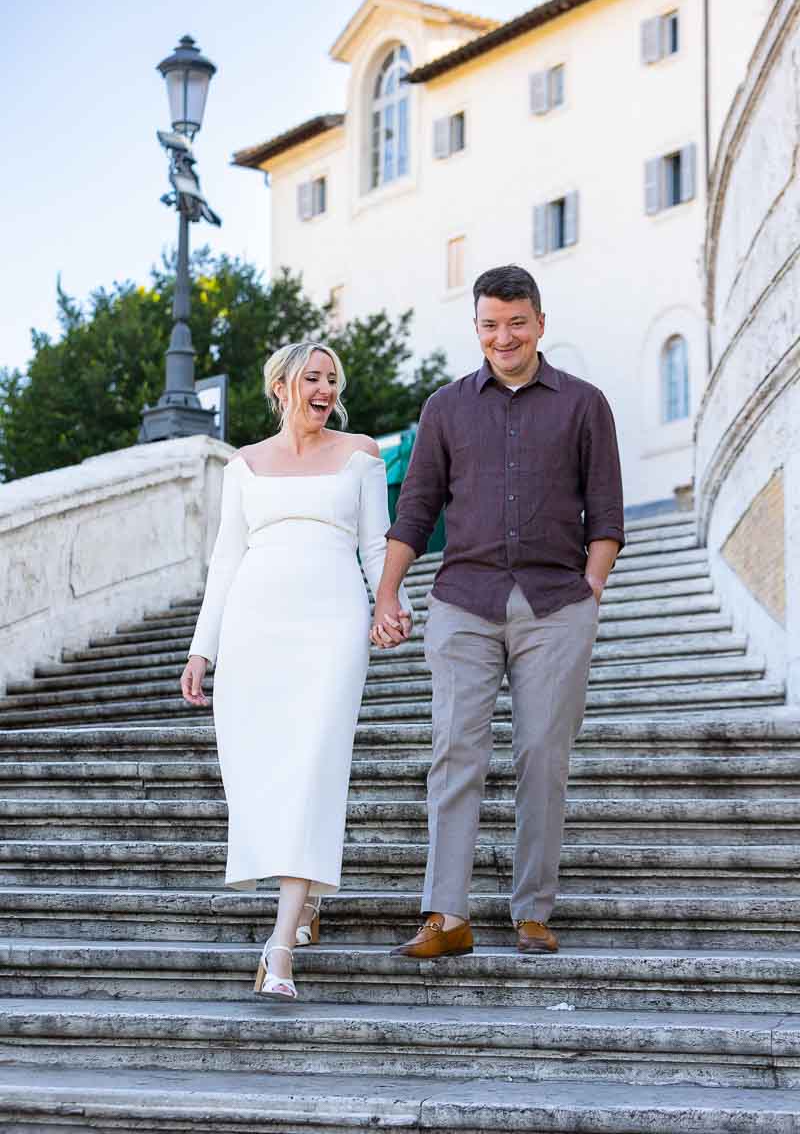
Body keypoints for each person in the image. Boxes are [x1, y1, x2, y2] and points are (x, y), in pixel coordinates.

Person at [369, 265, 624, 958]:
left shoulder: (584, 404)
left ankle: (532, 909)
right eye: (489, 324)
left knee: (543, 755)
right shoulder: (445, 408)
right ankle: (445, 916)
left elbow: (606, 512)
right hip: (463, 601)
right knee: (456, 752)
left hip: (555, 604)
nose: (503, 336)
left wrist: (591, 592)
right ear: (476, 328)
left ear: (540, 323)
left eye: (516, 322)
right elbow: (415, 509)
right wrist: (388, 593)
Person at [181, 342, 412, 999]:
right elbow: (225, 560)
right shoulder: (244, 466)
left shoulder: (362, 453)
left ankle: (279, 948)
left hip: (333, 623)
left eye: (332, 379)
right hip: (256, 626)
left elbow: (376, 542)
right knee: (264, 771)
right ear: (281, 385)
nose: (325, 388)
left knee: (314, 766)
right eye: (312, 377)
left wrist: (392, 601)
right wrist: (204, 649)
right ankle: (303, 898)